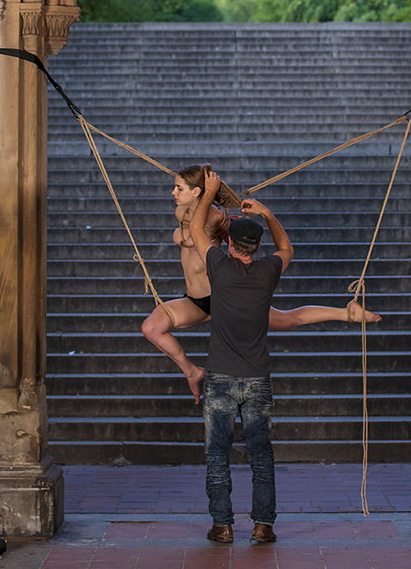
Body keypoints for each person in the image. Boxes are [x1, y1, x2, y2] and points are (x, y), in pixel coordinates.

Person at [140, 163, 380, 404]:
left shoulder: (214, 216)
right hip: (197, 301)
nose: (173, 193)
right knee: (151, 327)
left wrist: (225, 218)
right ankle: (191, 371)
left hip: (224, 299)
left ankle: (346, 313)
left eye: (179, 188)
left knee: (285, 320)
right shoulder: (181, 212)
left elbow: (218, 236)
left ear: (197, 192)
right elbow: (187, 234)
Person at [195, 167, 285, 545]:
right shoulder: (267, 272)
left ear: (230, 244)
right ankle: (263, 526)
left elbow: (198, 232)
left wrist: (208, 193)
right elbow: (287, 248)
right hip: (258, 379)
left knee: (218, 455)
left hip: (219, 378)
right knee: (261, 455)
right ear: (256, 247)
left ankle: (223, 525)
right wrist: (266, 214)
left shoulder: (219, 267)